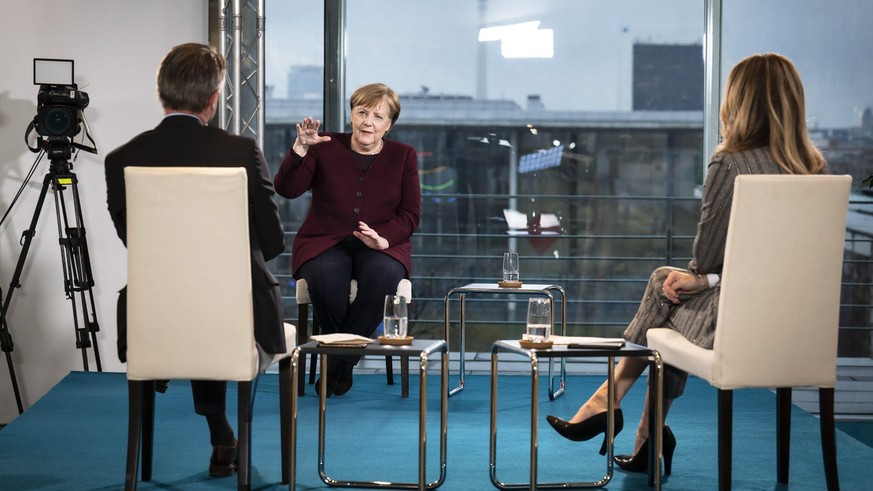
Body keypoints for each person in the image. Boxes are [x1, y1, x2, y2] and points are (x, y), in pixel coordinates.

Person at [546, 52, 827, 475]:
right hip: (795, 325)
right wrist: (708, 278)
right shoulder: (816, 172)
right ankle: (645, 434)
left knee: (666, 289)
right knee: (668, 295)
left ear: (740, 102)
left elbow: (706, 255)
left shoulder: (730, 163)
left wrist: (700, 276)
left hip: (736, 326)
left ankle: (611, 405)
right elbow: (791, 266)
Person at [104, 43, 286, 478]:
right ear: (213, 98)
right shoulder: (241, 152)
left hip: (154, 318)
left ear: (161, 94)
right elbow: (274, 242)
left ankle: (220, 432)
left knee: (194, 294)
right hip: (236, 317)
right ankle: (225, 435)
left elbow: (136, 242)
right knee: (219, 298)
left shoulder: (121, 159)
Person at [274, 82, 421, 398]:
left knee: (382, 277)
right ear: (352, 114)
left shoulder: (403, 156)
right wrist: (301, 150)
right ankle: (343, 364)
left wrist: (385, 239)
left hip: (381, 244)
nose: (368, 122)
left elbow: (410, 214)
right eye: (362, 112)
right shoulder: (324, 145)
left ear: (389, 124)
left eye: (378, 117)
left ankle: (336, 366)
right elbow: (286, 189)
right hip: (325, 241)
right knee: (327, 281)